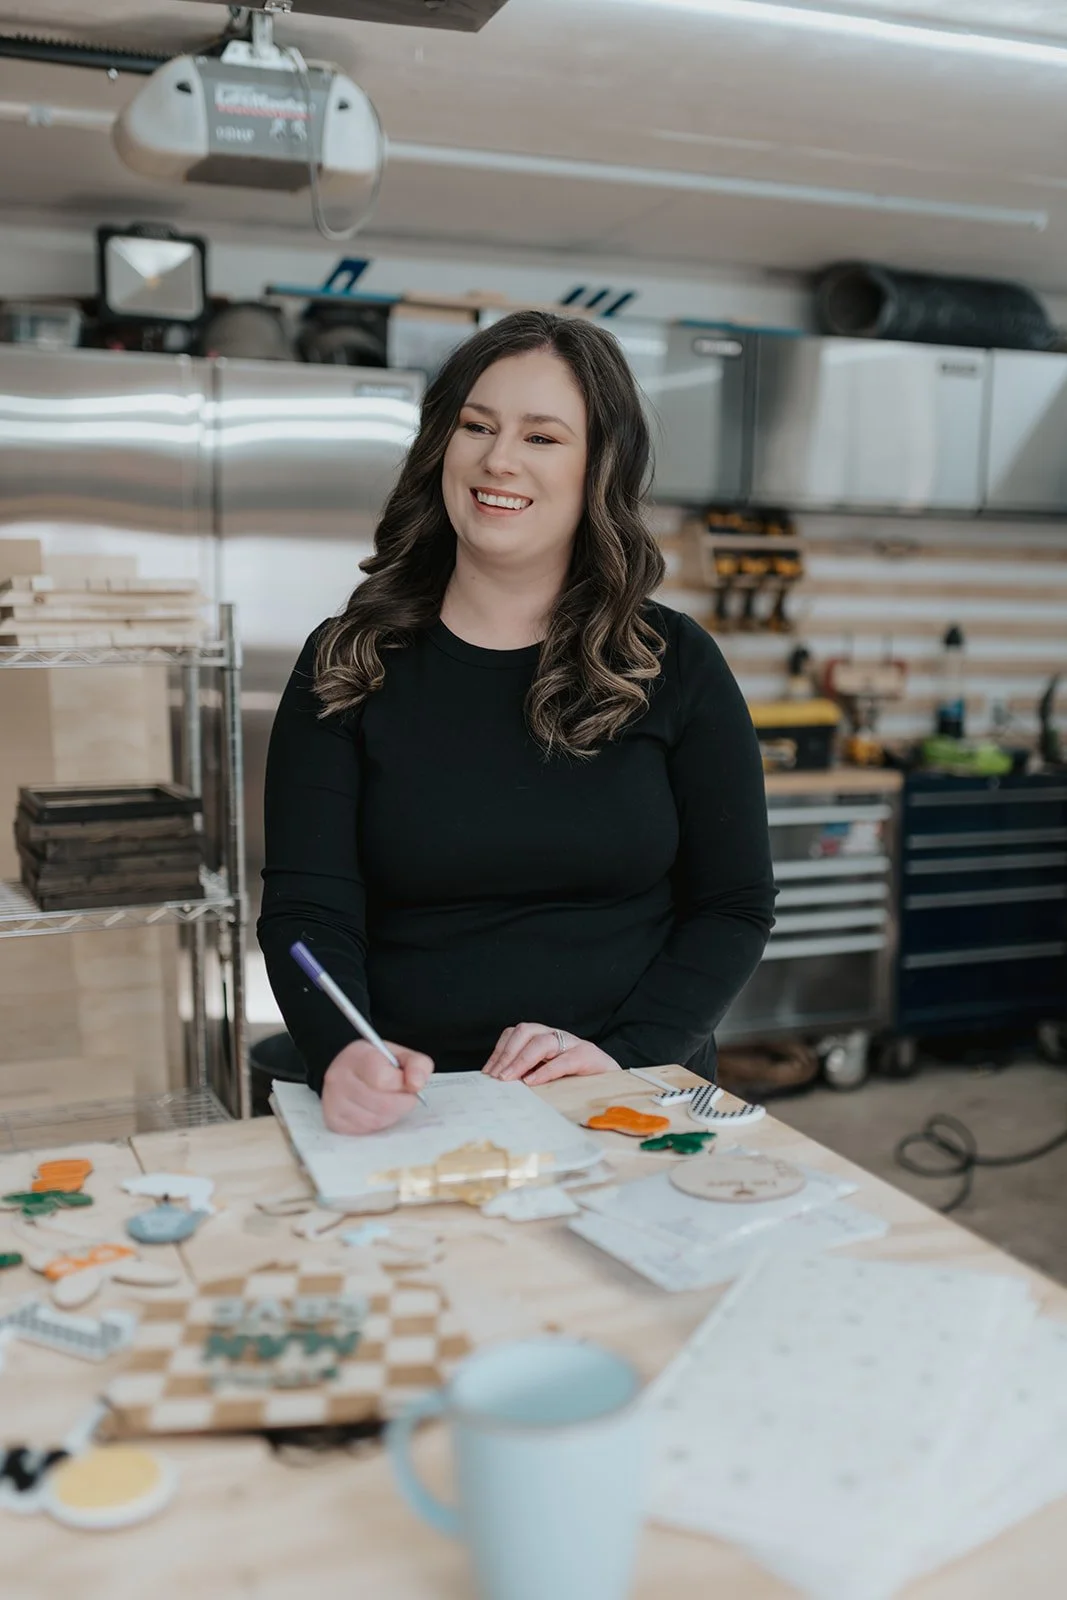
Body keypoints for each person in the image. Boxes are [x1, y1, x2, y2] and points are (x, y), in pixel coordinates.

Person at [258, 309, 775, 1135]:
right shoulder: (347, 660)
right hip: (415, 1107)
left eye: (541, 437)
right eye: (476, 426)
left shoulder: (673, 663)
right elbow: (307, 911)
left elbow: (734, 905)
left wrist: (628, 1053)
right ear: (441, 446)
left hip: (632, 1090)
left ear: (596, 469)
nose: (498, 458)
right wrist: (339, 1049)